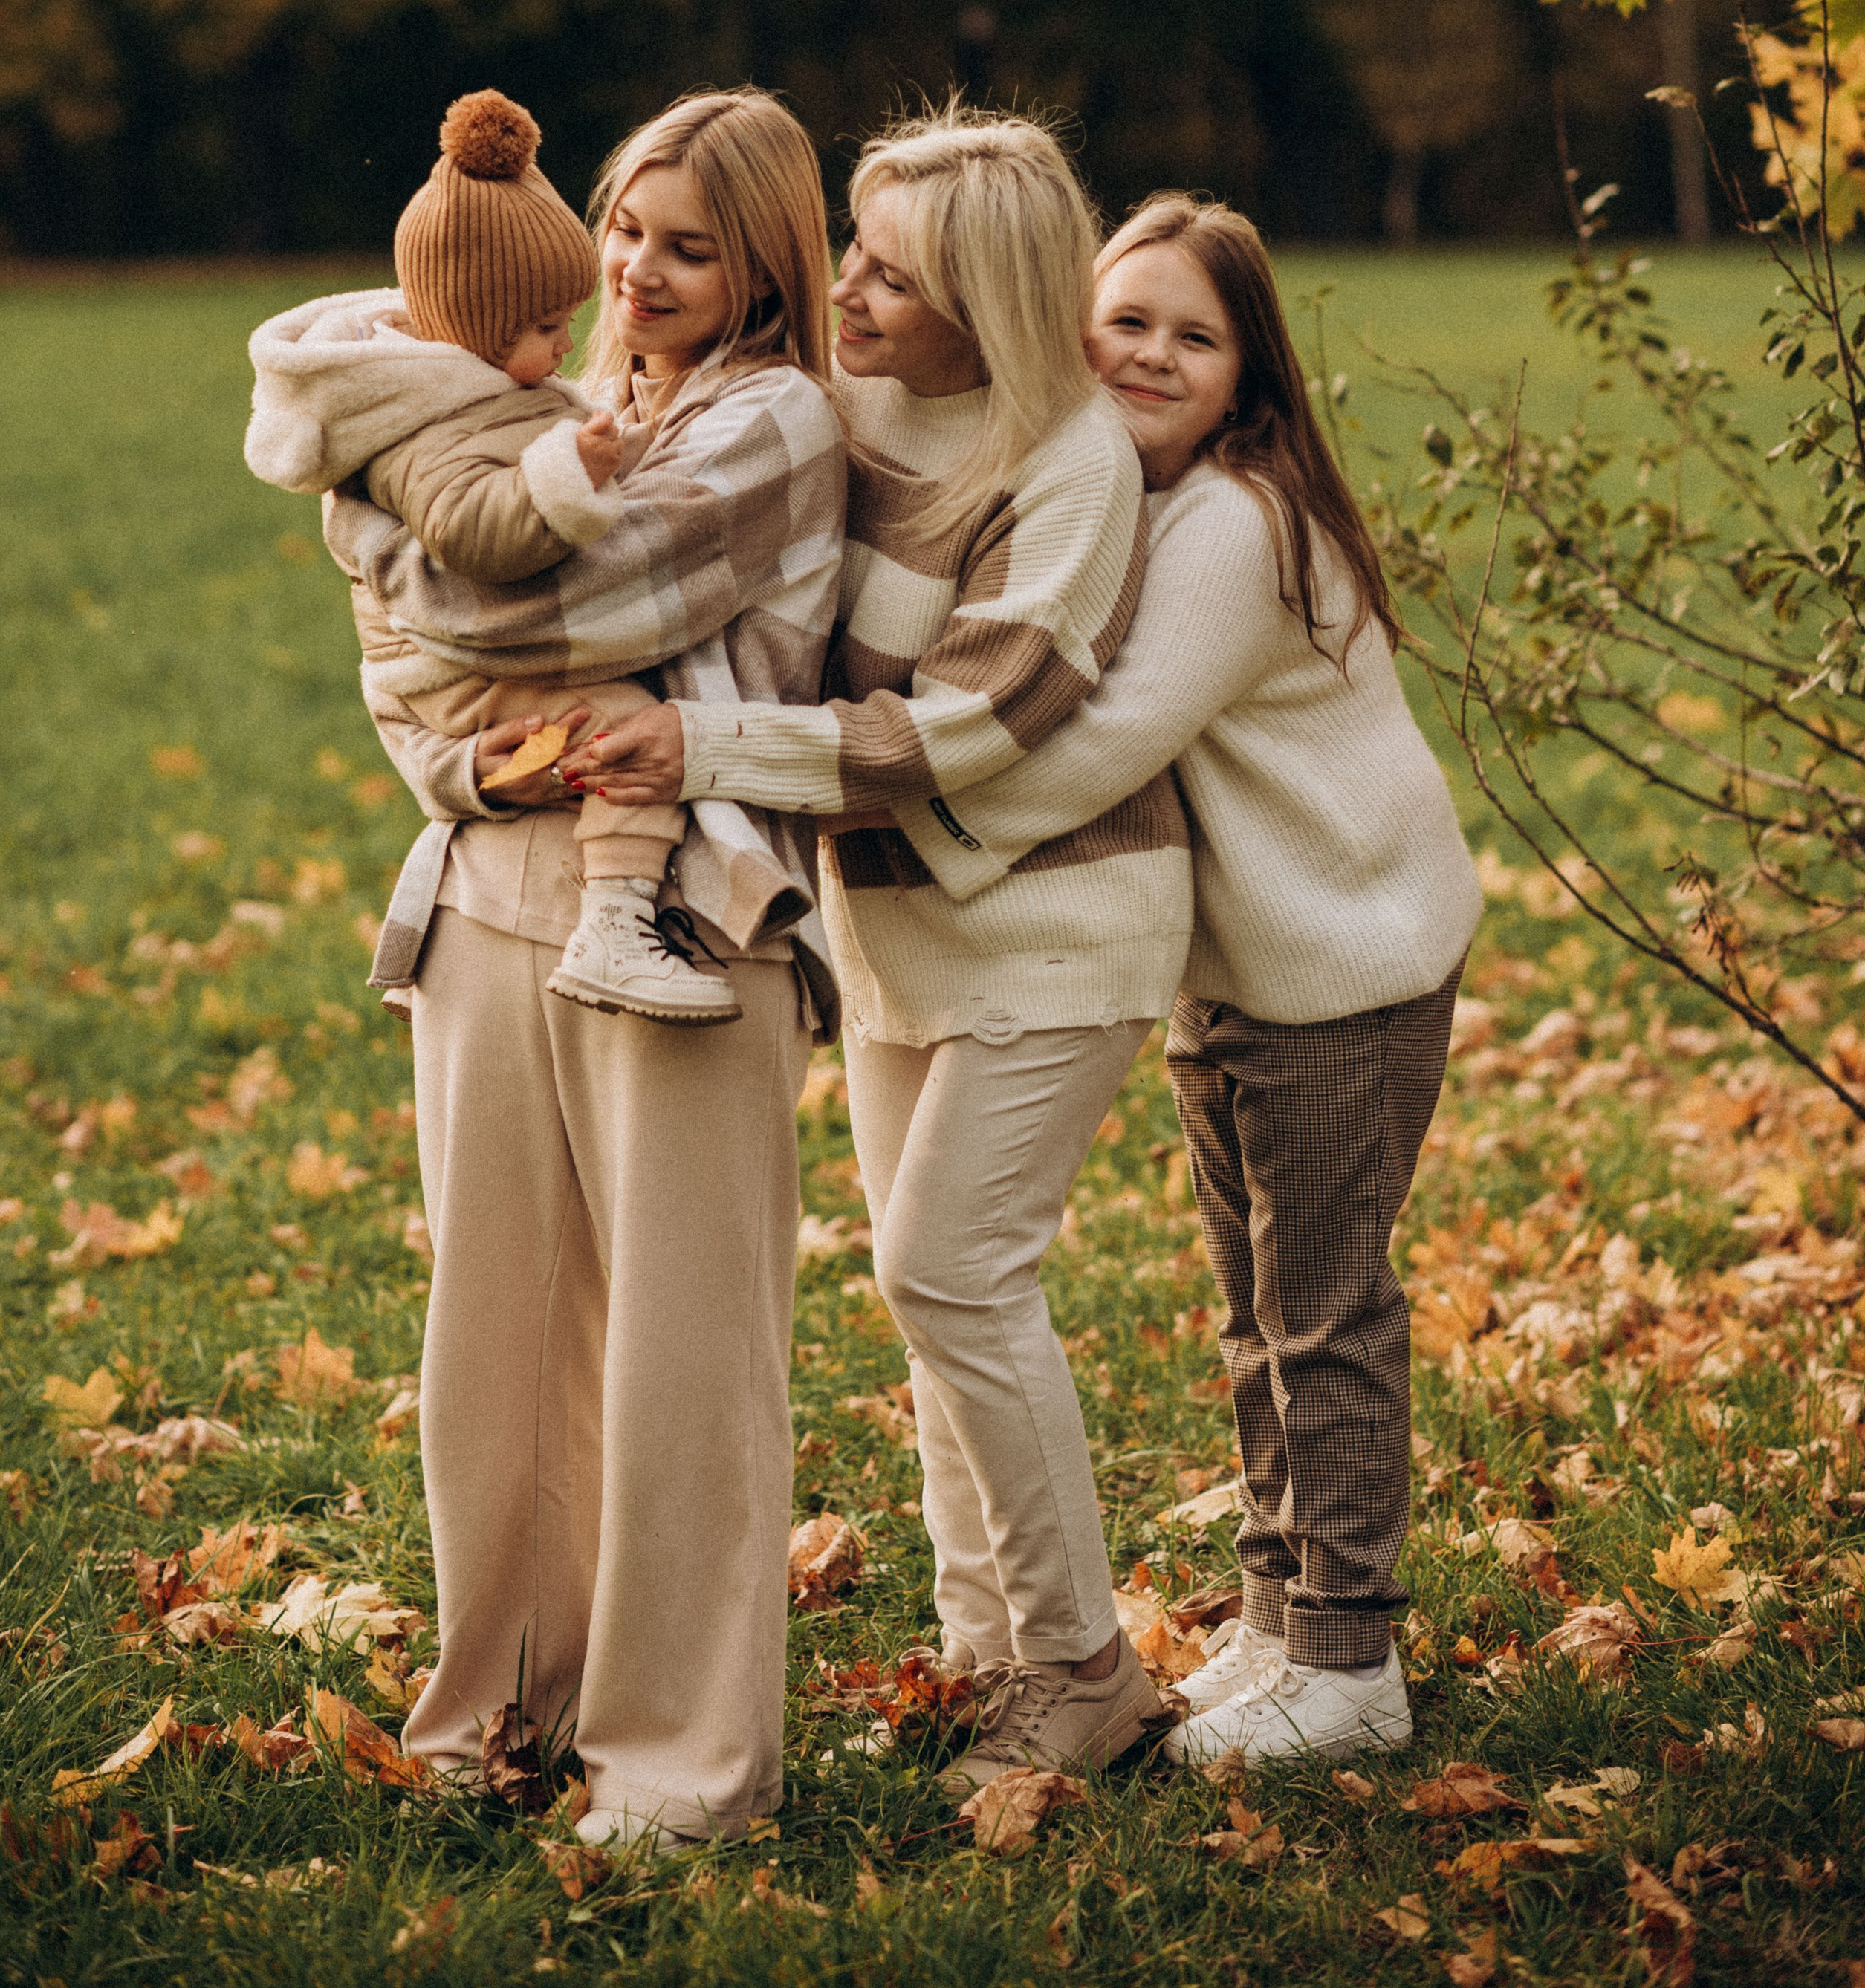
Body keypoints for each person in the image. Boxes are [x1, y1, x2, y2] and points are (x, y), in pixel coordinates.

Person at [578, 108, 1196, 1788]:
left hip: (1059, 927)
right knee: (931, 1301)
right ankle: (982, 1648)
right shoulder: (838, 403)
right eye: (850, 245)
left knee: (949, 1270)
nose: (842, 286)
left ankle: (1081, 1663)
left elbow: (967, 724)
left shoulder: (1062, 460)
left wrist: (703, 756)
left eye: (888, 273)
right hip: (894, 922)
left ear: (981, 297)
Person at [869, 195, 1482, 1767]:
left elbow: (1100, 742)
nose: (1148, 353)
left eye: (1191, 336)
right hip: (1243, 972)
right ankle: (1278, 1628)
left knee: (1320, 1314)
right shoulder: (1125, 497)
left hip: (1341, 969)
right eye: (1122, 319)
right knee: (1255, 1314)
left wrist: (894, 816)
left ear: (1245, 377)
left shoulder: (1228, 523)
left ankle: (1346, 1664)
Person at [319, 89, 848, 1849]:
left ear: (766, 259)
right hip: (481, 880)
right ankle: (497, 1706)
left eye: (689, 245)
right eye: (624, 225)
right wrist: (474, 742)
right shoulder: (566, 400)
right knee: (495, 1332)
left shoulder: (774, 422)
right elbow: (422, 693)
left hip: (685, 909)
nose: (637, 268)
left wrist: (360, 511)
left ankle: (676, 1760)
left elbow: (507, 615)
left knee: (683, 1349)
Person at [244, 87, 737, 1025]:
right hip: (446, 672)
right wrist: (566, 474)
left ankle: (460, 934)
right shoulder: (429, 425)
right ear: (477, 325)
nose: (565, 348)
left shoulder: (472, 389)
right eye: (546, 328)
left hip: (439, 675)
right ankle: (618, 926)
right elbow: (474, 533)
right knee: (625, 725)